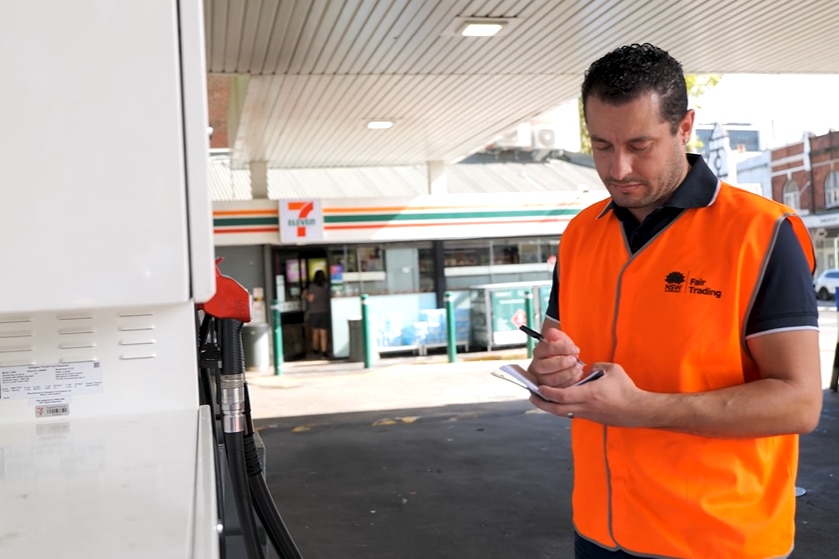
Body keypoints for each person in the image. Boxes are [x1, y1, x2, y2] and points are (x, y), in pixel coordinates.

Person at [526, 43, 822, 559]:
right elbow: (556, 354)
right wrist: (551, 376)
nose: (618, 169)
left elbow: (799, 403)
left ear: (684, 128)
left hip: (719, 541)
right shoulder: (580, 233)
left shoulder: (762, 232)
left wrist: (640, 408)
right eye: (601, 146)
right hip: (600, 533)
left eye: (640, 145)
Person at [304, 269, 331, 358]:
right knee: (324, 333)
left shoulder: (312, 286)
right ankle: (324, 351)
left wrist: (305, 294)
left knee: (315, 332)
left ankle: (315, 349)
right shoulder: (327, 286)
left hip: (314, 312)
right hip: (325, 311)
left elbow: (310, 299)